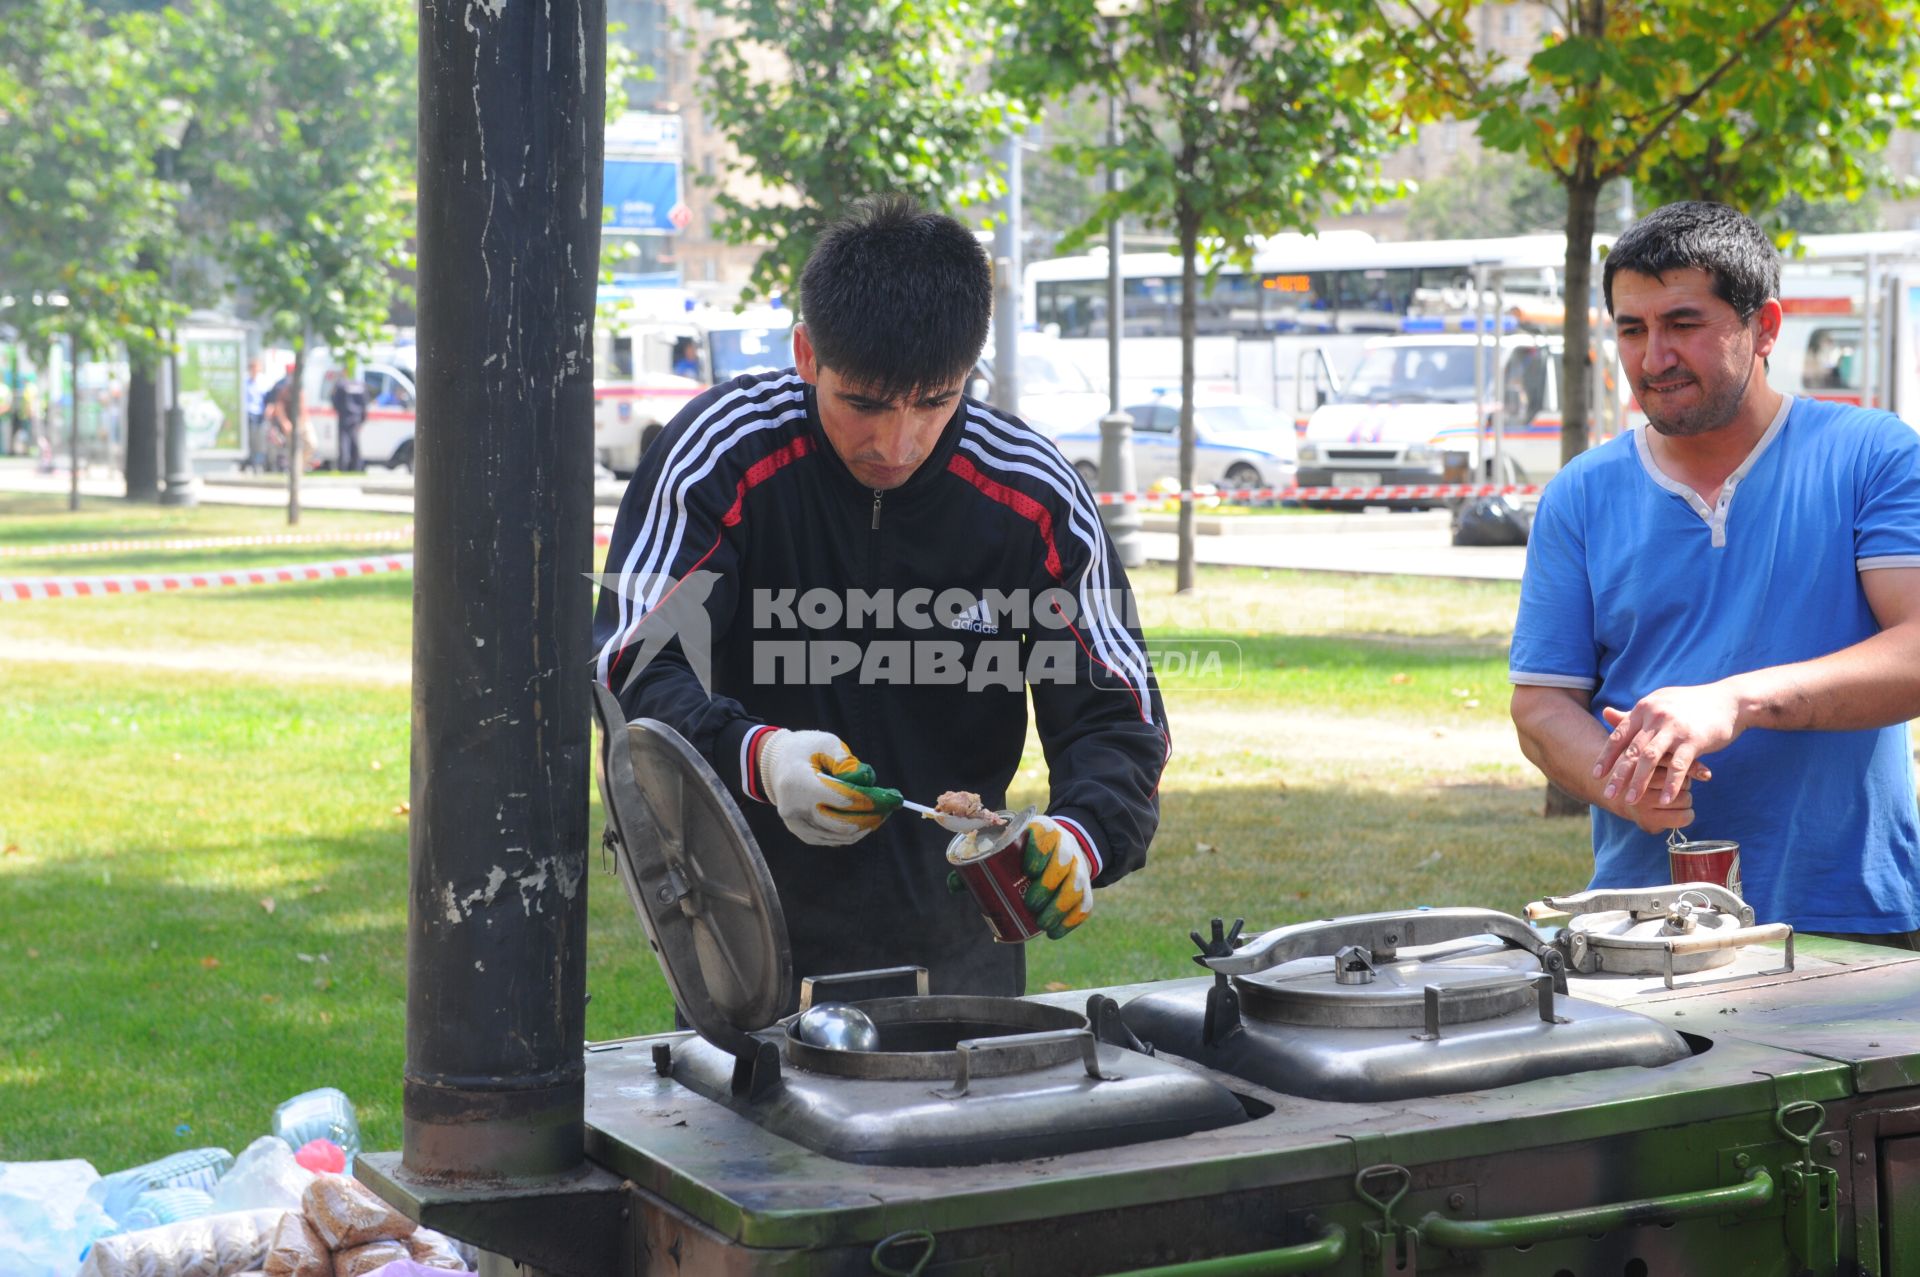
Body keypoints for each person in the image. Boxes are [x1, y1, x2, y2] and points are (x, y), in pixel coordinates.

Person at [592, 195, 1169, 1006]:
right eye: (862, 402)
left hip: (962, 941)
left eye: (934, 402)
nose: (895, 444)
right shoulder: (721, 453)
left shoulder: (1031, 494)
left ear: (970, 373)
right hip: (742, 932)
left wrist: (1080, 837)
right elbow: (631, 663)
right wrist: (760, 755)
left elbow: (1121, 714)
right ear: (805, 354)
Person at [1509, 201, 1920, 947]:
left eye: (1683, 324)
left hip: (1856, 914)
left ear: (1764, 327)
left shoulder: (1872, 454)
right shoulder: (1580, 492)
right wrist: (1624, 784)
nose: (1653, 356)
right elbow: (1541, 706)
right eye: (1631, 329)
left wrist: (1736, 701)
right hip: (1647, 928)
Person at [329, 368, 370, 471]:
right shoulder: (361, 385)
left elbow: (334, 400)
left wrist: (340, 411)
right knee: (355, 442)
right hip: (356, 417)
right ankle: (356, 466)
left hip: (344, 416)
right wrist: (362, 418)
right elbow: (365, 403)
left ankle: (343, 466)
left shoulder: (341, 385)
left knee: (344, 442)